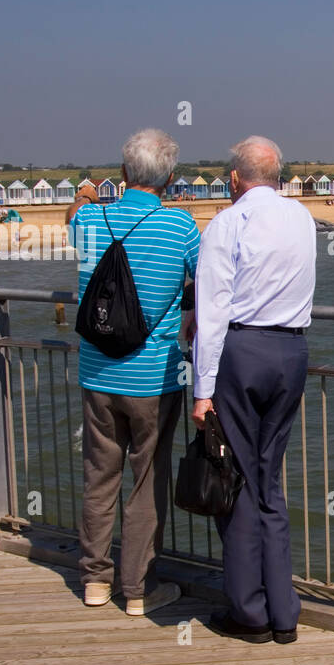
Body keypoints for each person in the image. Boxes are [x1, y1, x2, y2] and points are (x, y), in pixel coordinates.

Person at [68, 128, 198, 617]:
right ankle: (139, 590)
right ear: (170, 178)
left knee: (99, 478)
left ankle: (94, 582)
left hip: (97, 374)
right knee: (147, 480)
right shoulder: (180, 227)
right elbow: (207, 280)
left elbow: (74, 215)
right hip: (153, 378)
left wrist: (87, 191)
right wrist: (186, 306)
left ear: (122, 174)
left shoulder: (86, 220)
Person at [192, 136, 315, 645]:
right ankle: (283, 609)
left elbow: (213, 309)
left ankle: (250, 611)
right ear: (279, 176)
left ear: (235, 179)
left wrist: (202, 389)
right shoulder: (302, 218)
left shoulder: (227, 223)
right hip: (291, 353)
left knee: (238, 478)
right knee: (268, 479)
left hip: (243, 352)